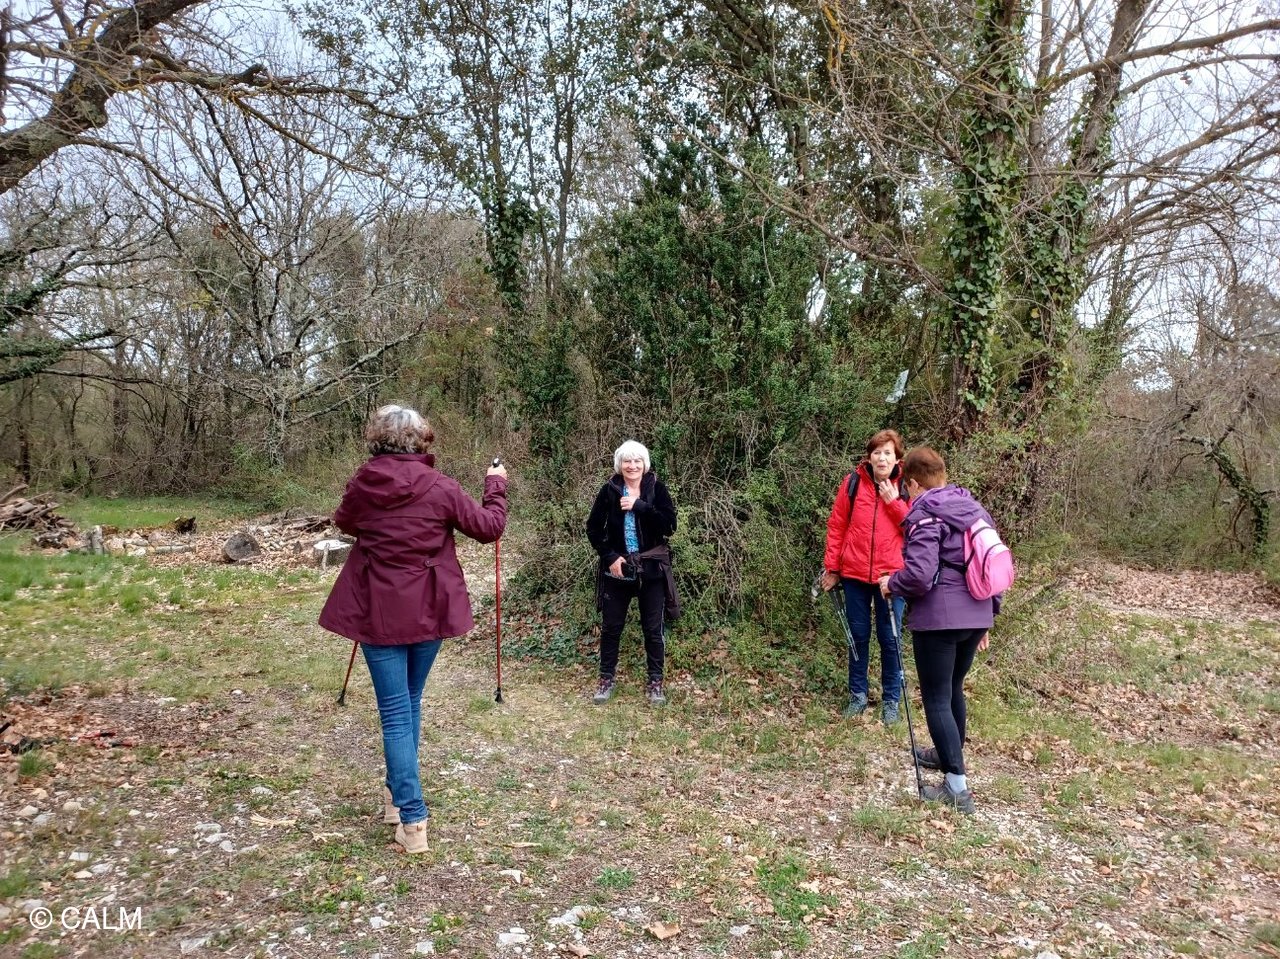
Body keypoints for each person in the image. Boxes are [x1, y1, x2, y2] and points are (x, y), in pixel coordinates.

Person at [319, 404, 507, 853]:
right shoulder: (441, 487)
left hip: (379, 609)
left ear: (377, 439)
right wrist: (496, 484)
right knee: (407, 703)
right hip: (428, 606)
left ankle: (408, 811)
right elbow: (490, 526)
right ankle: (404, 805)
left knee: (398, 710)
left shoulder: (363, 484)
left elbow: (345, 522)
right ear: (421, 440)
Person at [880, 446, 1000, 816]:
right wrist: (988, 615)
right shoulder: (974, 510)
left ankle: (956, 789)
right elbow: (992, 563)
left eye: (907, 486)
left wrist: (891, 583)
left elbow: (918, 575)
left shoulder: (924, 513)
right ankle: (947, 754)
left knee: (935, 697)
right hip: (977, 613)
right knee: (953, 689)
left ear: (914, 483)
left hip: (940, 619)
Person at [821, 429, 910, 725]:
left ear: (897, 458)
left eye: (887, 453)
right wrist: (833, 568)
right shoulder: (853, 482)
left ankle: (891, 700)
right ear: (869, 457)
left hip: (891, 578)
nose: (882, 458)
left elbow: (916, 529)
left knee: (890, 639)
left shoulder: (906, 486)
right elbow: (837, 525)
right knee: (857, 637)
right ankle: (857, 695)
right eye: (877, 452)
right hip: (855, 574)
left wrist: (894, 502)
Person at [585, 440, 678, 706]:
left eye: (637, 461)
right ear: (620, 464)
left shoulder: (657, 489)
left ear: (644, 464)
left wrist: (640, 506)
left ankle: (655, 682)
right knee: (611, 628)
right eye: (627, 461)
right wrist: (610, 557)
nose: (632, 465)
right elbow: (593, 529)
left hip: (651, 570)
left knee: (653, 630)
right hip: (618, 570)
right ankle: (606, 679)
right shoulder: (609, 490)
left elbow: (670, 526)